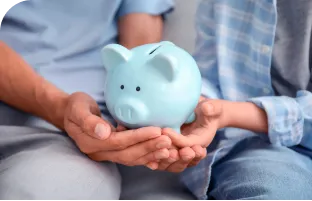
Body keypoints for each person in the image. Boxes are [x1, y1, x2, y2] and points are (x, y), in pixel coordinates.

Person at [0, 0, 208, 199]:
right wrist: (59, 107)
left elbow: (141, 47)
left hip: (84, 121)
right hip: (53, 116)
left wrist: (153, 112)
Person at [159, 0, 312, 200]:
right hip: (260, 152)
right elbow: (210, 76)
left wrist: (231, 113)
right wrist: (195, 105)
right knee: (273, 186)